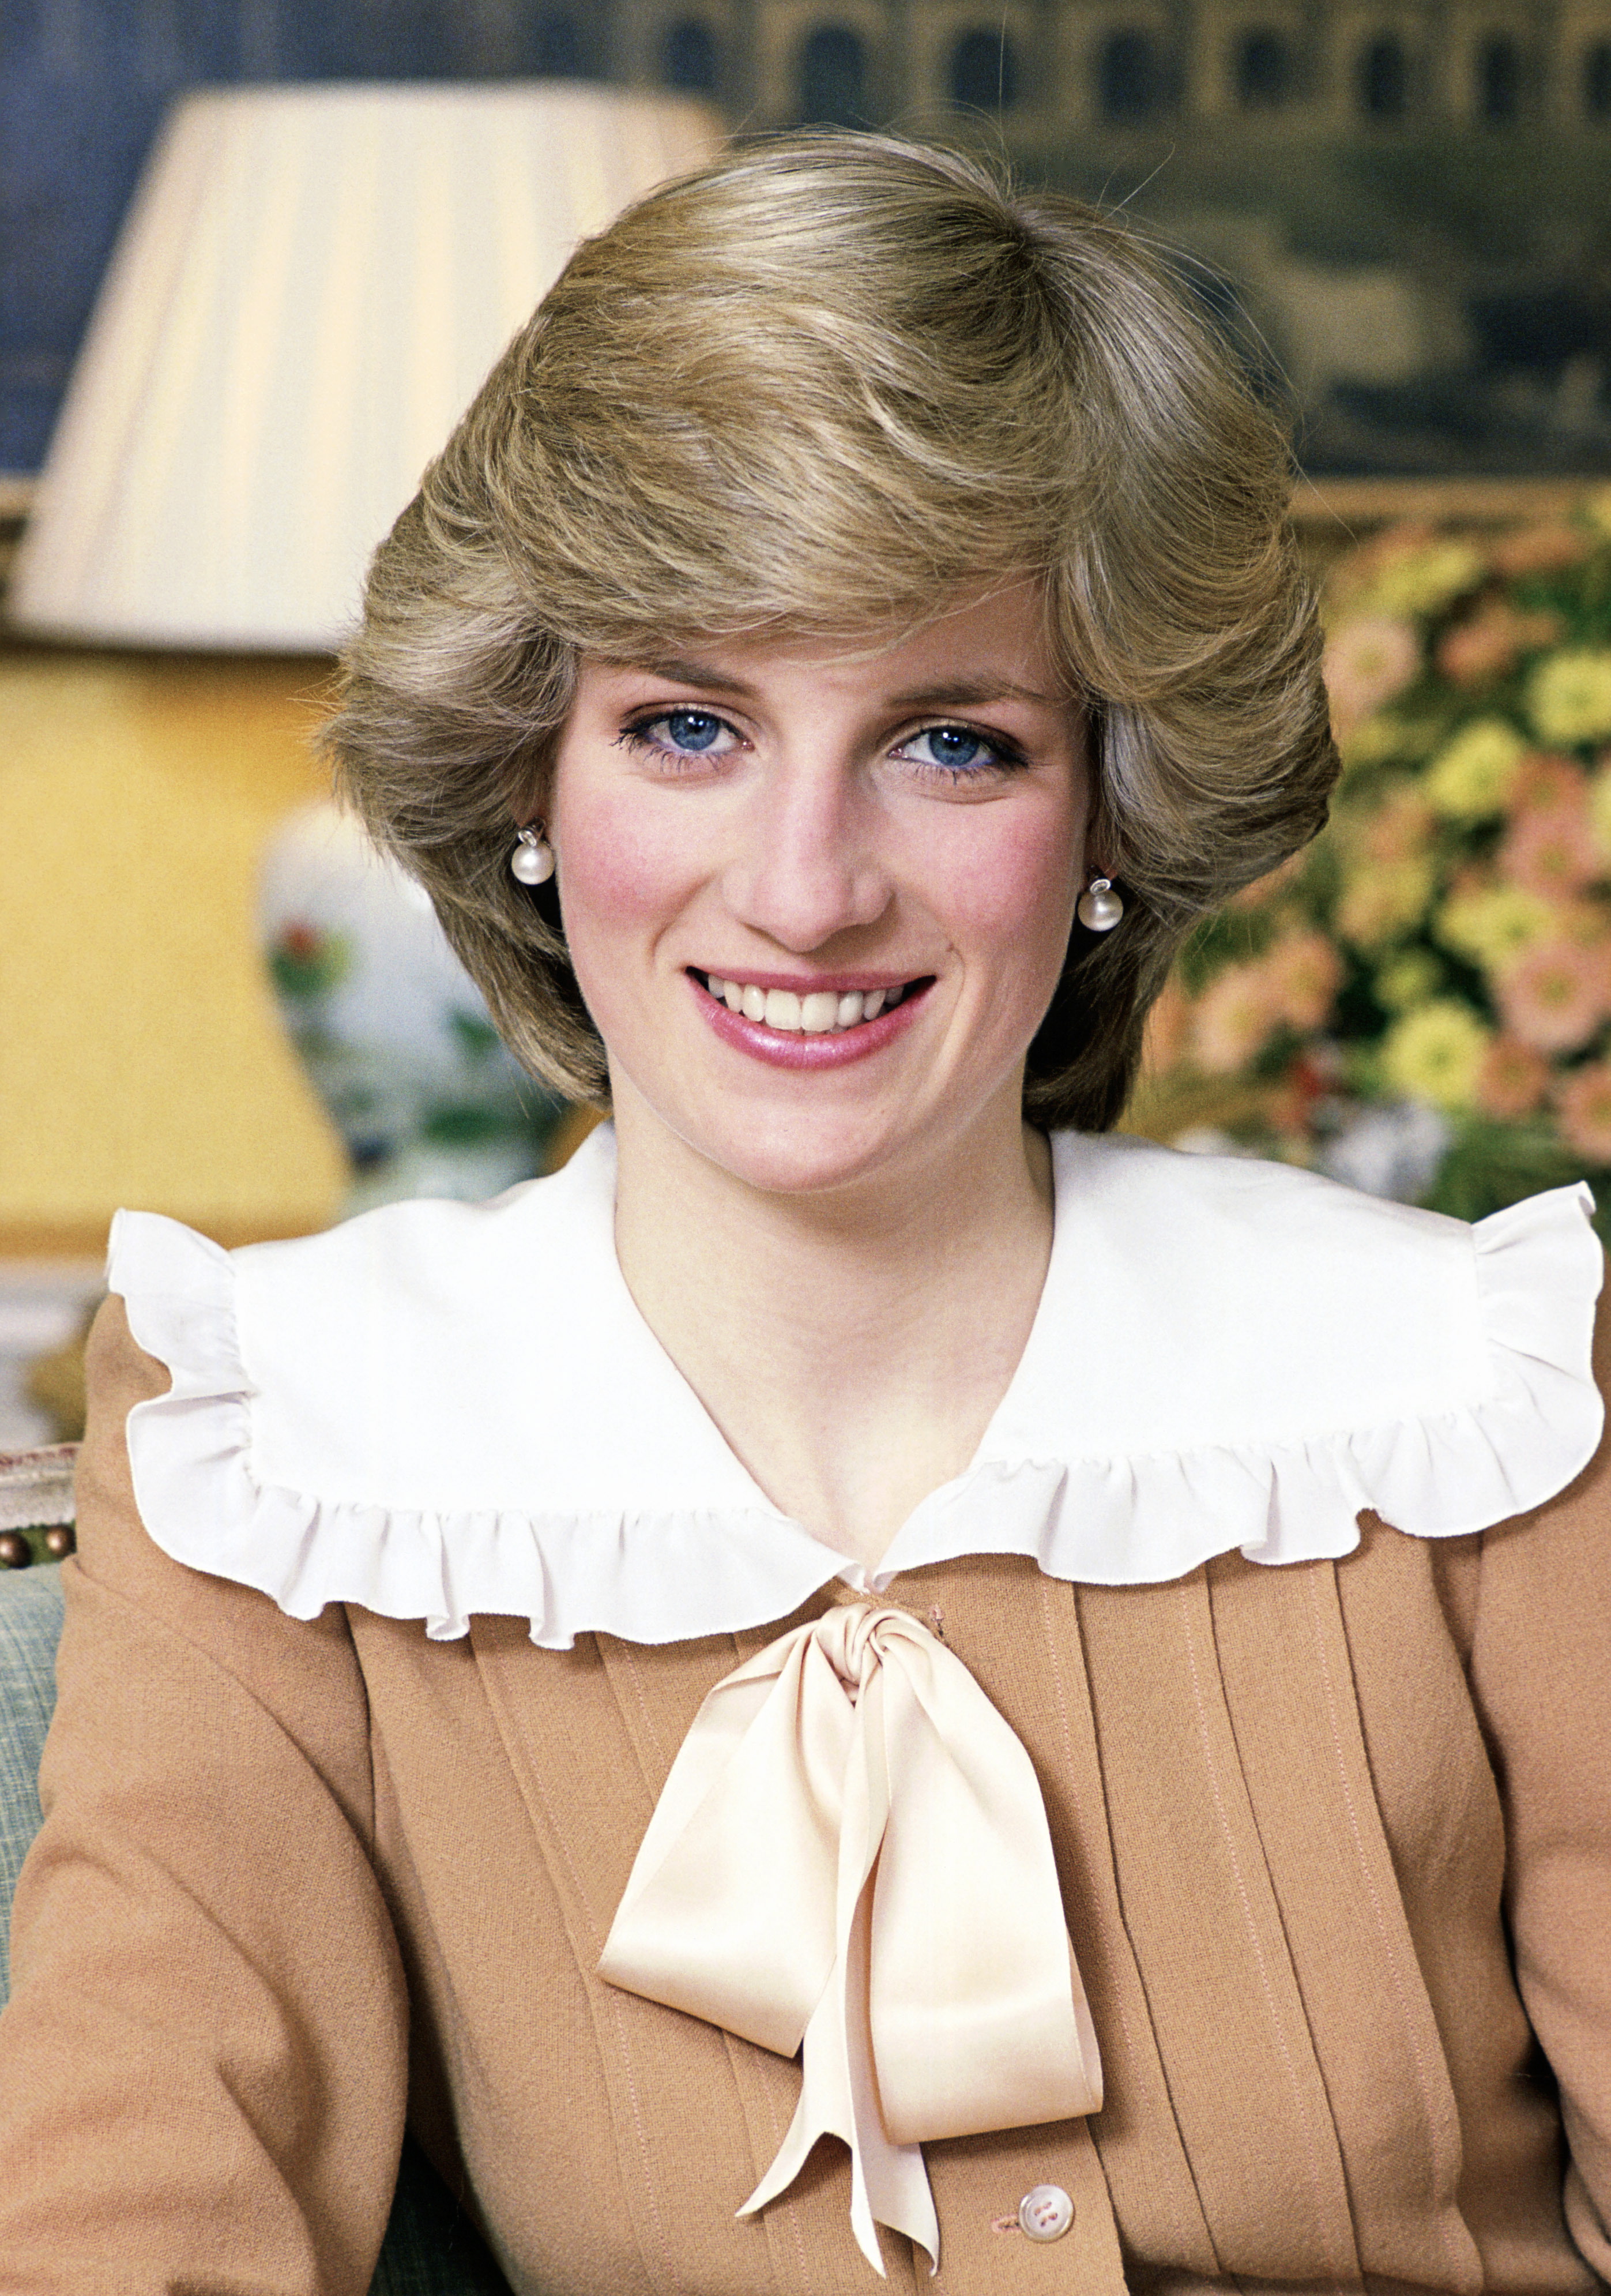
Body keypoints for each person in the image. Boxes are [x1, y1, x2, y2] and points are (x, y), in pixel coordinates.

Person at [1, 133, 1608, 2296]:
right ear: (529, 787)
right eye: (686, 725)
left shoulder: (1483, 1403)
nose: (802, 885)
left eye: (950, 744)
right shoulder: (284, 1442)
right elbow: (122, 2231)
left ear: (1112, 815)